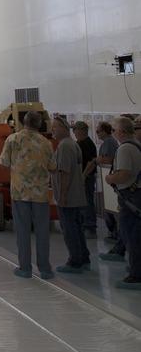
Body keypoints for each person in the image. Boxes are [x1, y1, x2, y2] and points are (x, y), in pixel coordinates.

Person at [0, 110, 56, 279]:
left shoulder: (13, 139)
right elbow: (53, 167)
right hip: (40, 194)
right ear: (39, 124)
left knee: (22, 231)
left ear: (24, 122)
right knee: (42, 232)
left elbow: (3, 163)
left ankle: (25, 268)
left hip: (19, 192)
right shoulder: (46, 143)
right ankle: (45, 269)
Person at [104, 115, 141, 291]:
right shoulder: (136, 145)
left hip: (130, 197)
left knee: (131, 235)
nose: (113, 133)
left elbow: (124, 174)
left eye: (114, 130)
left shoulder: (125, 148)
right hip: (135, 195)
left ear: (121, 131)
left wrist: (110, 178)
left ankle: (136, 275)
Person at [51, 114, 90, 273]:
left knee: (69, 229)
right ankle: (83, 257)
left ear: (63, 128)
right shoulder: (72, 144)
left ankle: (75, 261)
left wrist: (63, 195)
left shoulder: (65, 146)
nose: (52, 130)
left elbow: (65, 173)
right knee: (77, 227)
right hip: (75, 194)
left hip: (69, 196)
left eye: (55, 127)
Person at [95, 121, 120, 243]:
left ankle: (115, 233)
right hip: (108, 178)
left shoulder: (109, 142)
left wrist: (98, 159)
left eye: (98, 131)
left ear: (105, 131)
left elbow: (108, 159)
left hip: (110, 179)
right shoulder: (108, 142)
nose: (97, 133)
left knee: (111, 208)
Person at [72, 121, 98, 236]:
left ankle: (90, 226)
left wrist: (83, 176)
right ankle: (84, 224)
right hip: (83, 177)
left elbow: (91, 161)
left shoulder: (86, 143)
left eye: (75, 130)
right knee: (83, 202)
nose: (74, 132)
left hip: (86, 177)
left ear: (81, 130)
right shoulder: (80, 142)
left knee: (87, 201)